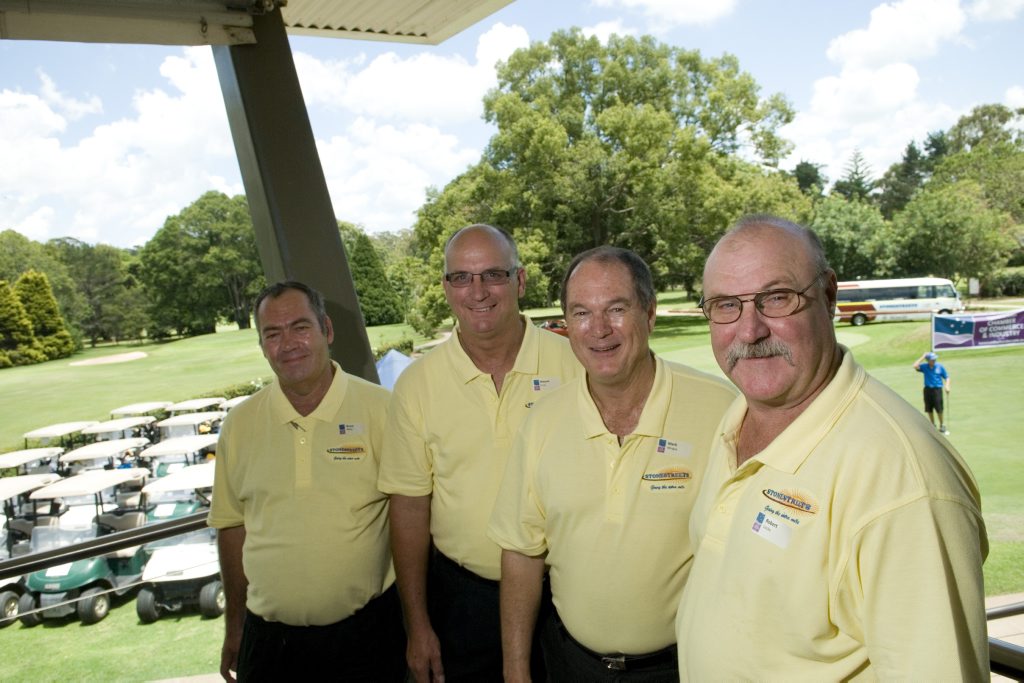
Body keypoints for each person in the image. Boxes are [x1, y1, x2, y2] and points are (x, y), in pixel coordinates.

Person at [676, 216, 988, 679]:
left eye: (776, 298)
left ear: (828, 296)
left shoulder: (904, 484)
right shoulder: (741, 413)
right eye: (725, 305)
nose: (748, 331)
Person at [489, 246, 737, 681]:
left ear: (650, 313)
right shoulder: (542, 423)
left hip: (688, 667)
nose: (598, 329)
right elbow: (521, 554)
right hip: (572, 665)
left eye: (616, 308)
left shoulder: (723, 411)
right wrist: (515, 668)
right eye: (581, 313)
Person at [378, 224, 580, 682]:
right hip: (465, 604)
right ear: (447, 287)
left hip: (568, 594)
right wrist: (417, 624)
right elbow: (408, 508)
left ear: (520, 281)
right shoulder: (417, 385)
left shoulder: (575, 363)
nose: (478, 291)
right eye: (461, 278)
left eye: (493, 274)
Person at [208, 281, 405, 682]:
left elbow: (413, 519)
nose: (288, 344)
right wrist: (235, 626)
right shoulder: (240, 425)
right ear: (262, 346)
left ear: (327, 331)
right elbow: (232, 528)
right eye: (273, 334)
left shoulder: (383, 411)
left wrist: (419, 626)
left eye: (300, 327)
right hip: (269, 646)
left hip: (369, 639)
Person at [913, 351, 951, 433]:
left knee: (939, 408)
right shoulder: (924, 367)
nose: (934, 361)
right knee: (929, 408)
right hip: (927, 390)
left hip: (937, 390)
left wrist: (947, 386)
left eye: (934, 359)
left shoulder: (939, 367)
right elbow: (915, 366)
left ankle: (942, 425)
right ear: (928, 360)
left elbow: (947, 377)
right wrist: (923, 356)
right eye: (932, 359)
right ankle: (932, 425)